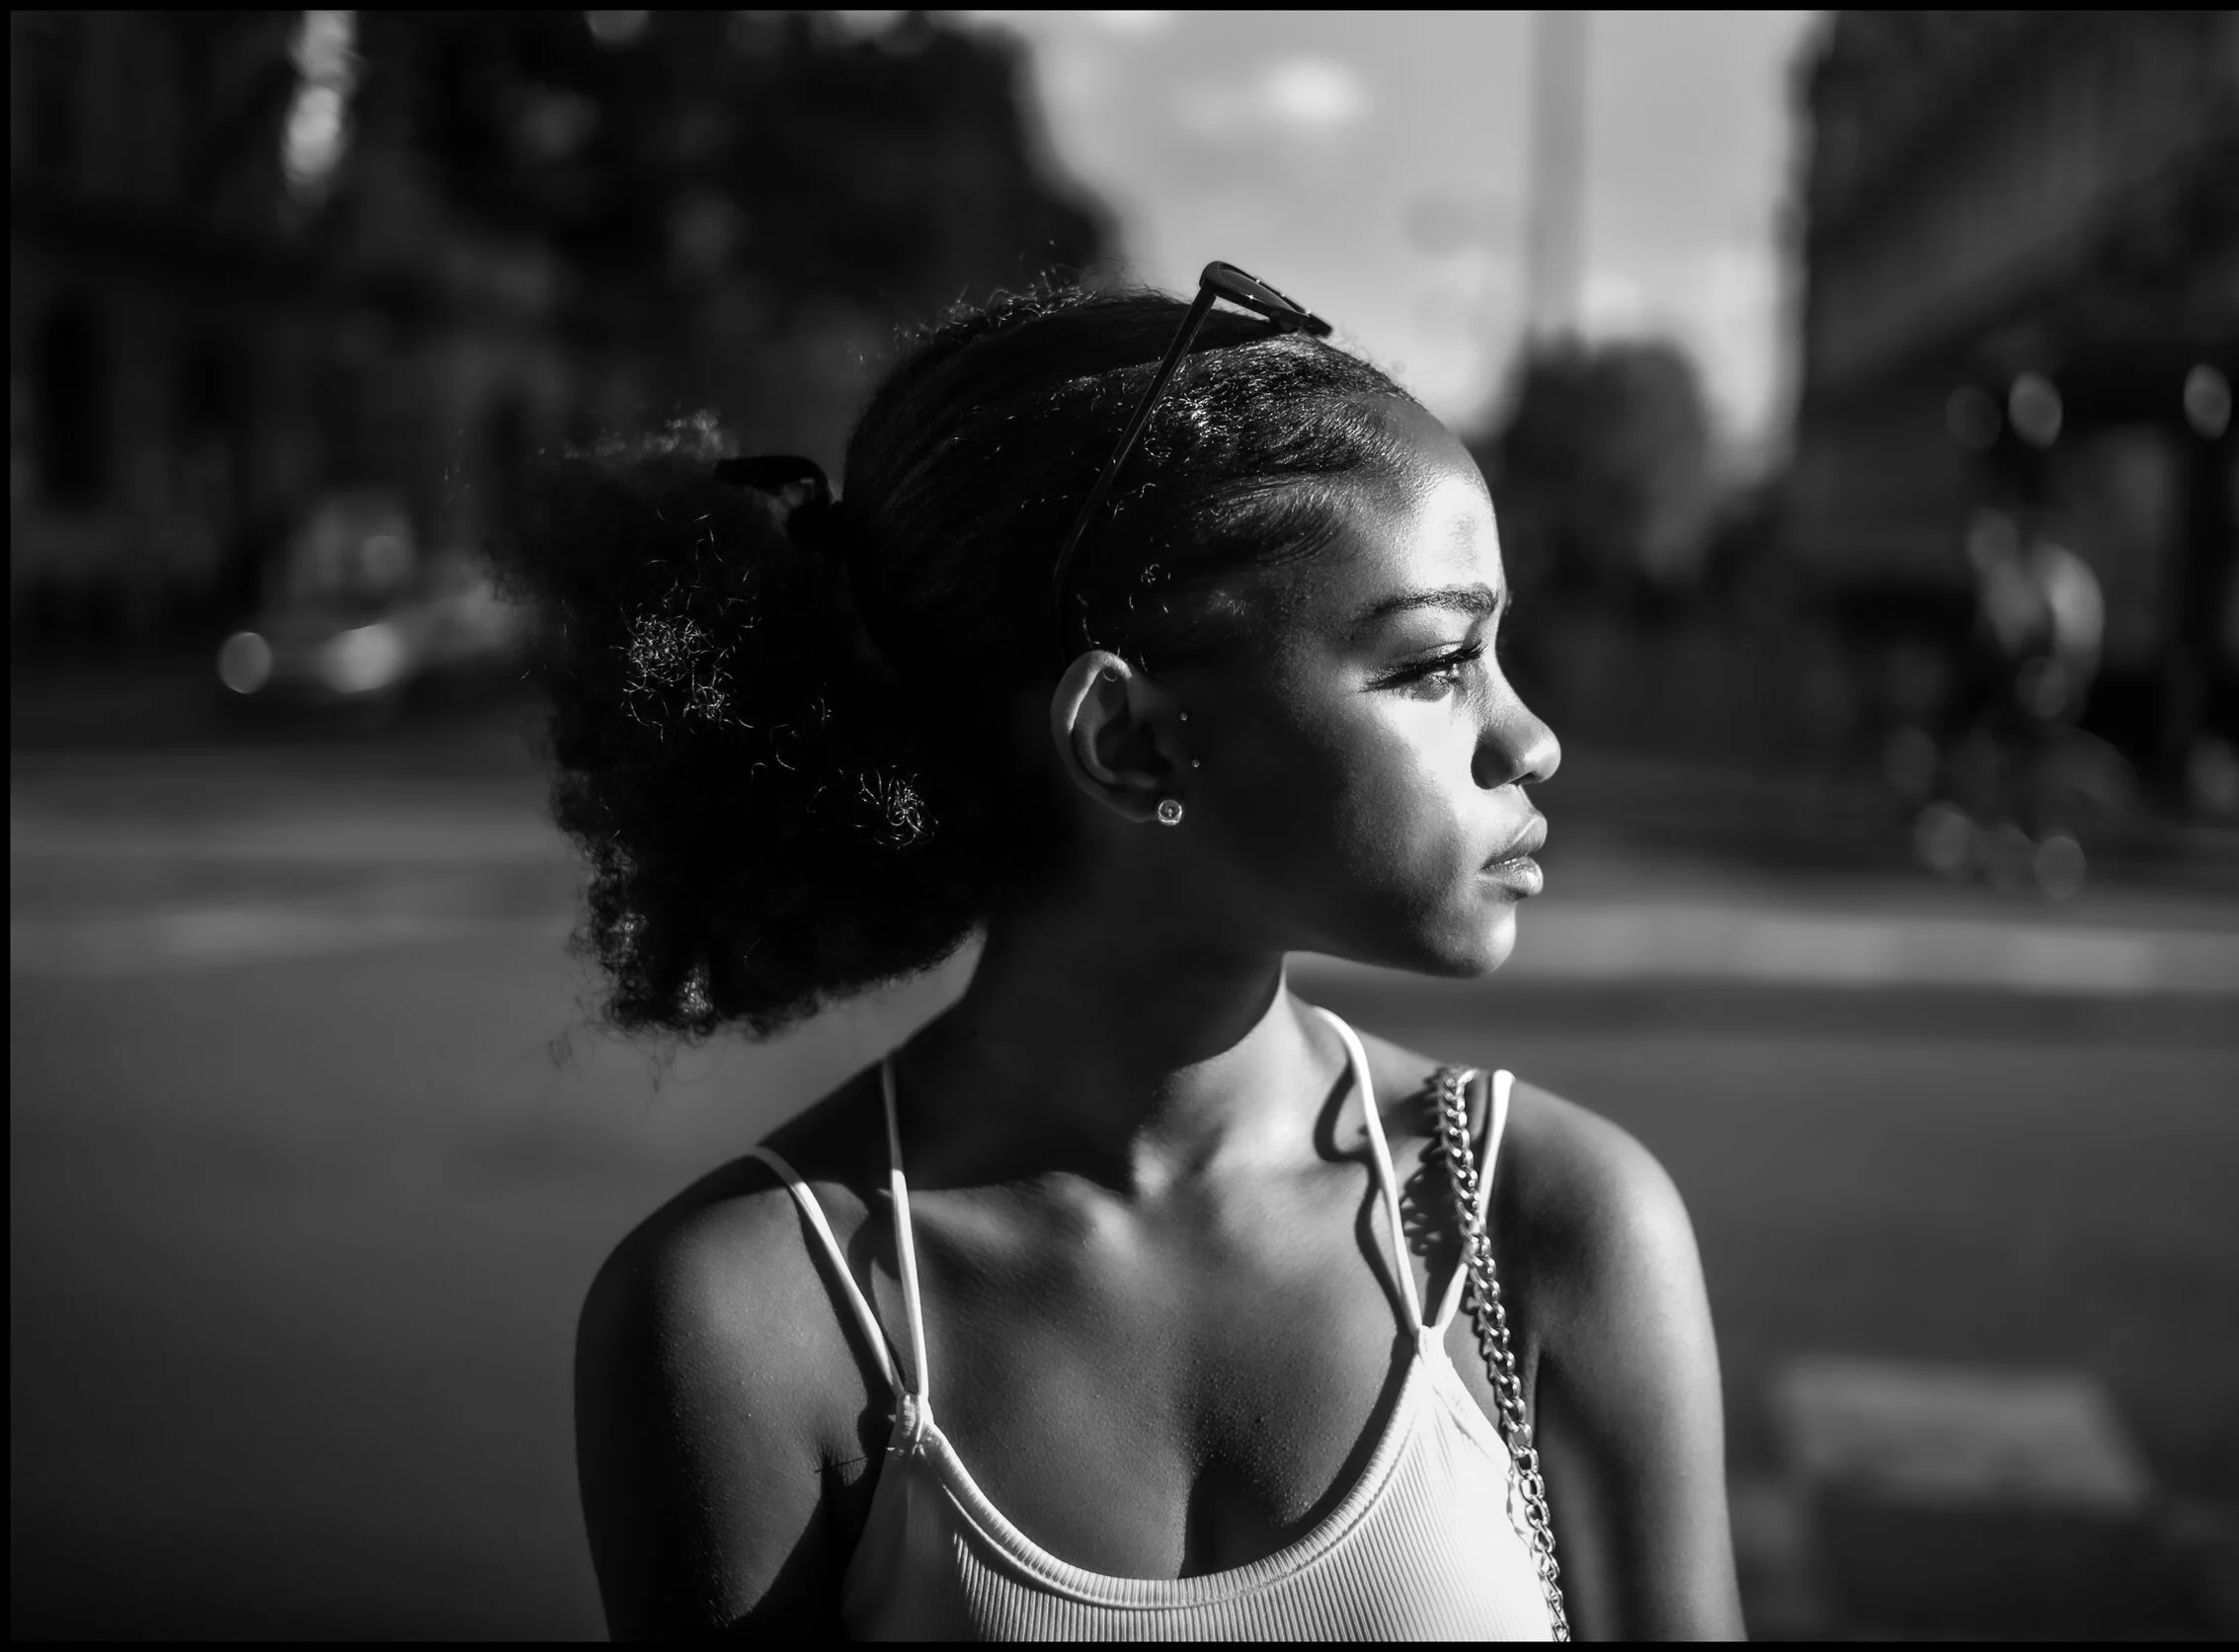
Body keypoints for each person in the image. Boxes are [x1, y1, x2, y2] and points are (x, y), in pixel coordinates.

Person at [505, 271, 1739, 1641]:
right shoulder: (746, 1318)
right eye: (1438, 665)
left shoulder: (1550, 1222)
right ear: (1128, 741)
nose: (1531, 740)